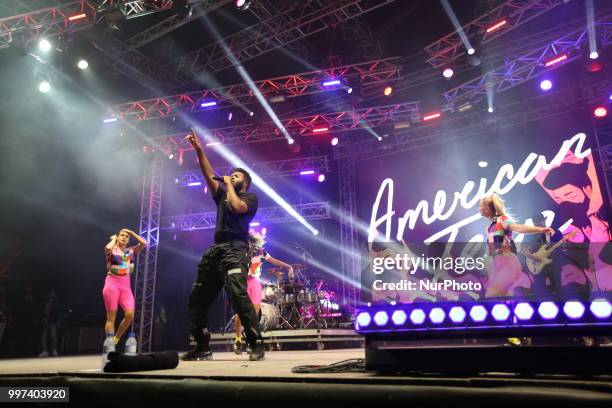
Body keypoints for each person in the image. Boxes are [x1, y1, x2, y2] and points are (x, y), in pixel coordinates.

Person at [182, 128, 265, 361]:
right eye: (232, 175)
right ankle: (202, 347)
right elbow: (208, 174)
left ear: (245, 184)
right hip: (216, 250)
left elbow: (237, 207)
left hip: (235, 250)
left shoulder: (250, 198)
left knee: (238, 294)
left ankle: (256, 343)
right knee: (196, 300)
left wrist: (229, 184)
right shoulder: (222, 195)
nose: (232, 177)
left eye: (237, 177)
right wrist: (199, 151)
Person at [479, 195, 554, 298]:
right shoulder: (491, 227)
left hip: (508, 263)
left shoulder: (502, 220)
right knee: (501, 297)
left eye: (480, 206)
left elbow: (518, 228)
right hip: (499, 265)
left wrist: (541, 229)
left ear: (487, 209)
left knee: (492, 295)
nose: (479, 209)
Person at [233, 232, 294, 354]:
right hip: (242, 282)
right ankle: (238, 339)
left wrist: (288, 266)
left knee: (254, 316)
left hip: (255, 283)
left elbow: (274, 261)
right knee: (240, 313)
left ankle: (252, 341)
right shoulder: (240, 252)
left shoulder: (261, 252)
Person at [103, 229, 147, 347]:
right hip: (112, 284)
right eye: (122, 235)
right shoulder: (113, 250)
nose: (124, 237)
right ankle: (109, 344)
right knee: (111, 317)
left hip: (126, 287)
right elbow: (108, 248)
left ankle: (116, 340)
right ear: (118, 237)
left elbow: (144, 243)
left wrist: (132, 233)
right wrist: (114, 239)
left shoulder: (131, 251)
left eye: (126, 236)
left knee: (129, 315)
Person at [38, 289, 64, 357]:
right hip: (45, 321)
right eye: (50, 293)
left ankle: (54, 350)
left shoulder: (57, 302)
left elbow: (58, 312)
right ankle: (45, 351)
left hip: (53, 321)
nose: (51, 294)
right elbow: (43, 311)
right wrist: (43, 318)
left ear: (55, 294)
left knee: (53, 336)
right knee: (43, 336)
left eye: (53, 293)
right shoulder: (46, 301)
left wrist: (58, 322)